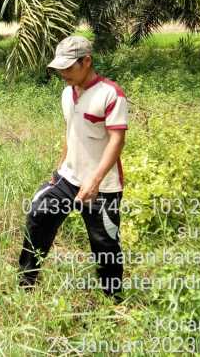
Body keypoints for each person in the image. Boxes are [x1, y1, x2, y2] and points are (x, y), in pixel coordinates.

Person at [18, 36, 128, 297]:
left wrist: (95, 181)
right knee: (38, 215)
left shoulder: (110, 94)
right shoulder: (67, 93)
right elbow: (71, 133)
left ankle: (113, 300)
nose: (63, 73)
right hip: (67, 179)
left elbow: (117, 140)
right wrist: (59, 169)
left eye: (69, 67)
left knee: (105, 244)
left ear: (87, 61)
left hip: (103, 187)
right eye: (60, 68)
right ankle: (25, 285)